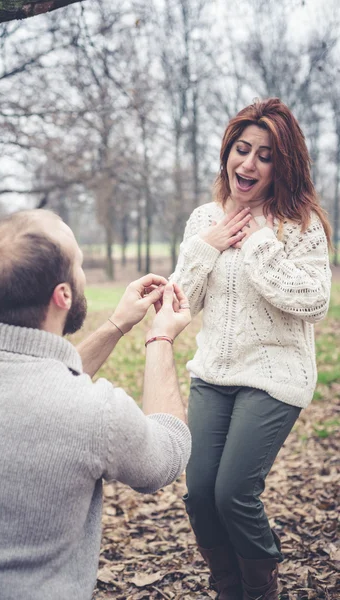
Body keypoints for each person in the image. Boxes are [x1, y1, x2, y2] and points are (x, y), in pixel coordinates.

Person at [0, 209, 192, 600]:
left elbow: (43, 378)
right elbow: (169, 453)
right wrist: (160, 339)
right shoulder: (97, 413)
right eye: (78, 264)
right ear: (63, 295)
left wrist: (117, 325)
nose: (84, 274)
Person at [170, 97, 332, 600]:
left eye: (265, 155)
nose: (249, 164)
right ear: (227, 153)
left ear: (283, 164)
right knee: (199, 494)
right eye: (242, 150)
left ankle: (261, 591)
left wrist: (260, 244)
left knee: (234, 493)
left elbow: (313, 301)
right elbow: (182, 299)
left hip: (274, 376)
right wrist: (207, 246)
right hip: (213, 373)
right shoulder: (204, 219)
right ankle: (228, 588)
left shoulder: (300, 226)